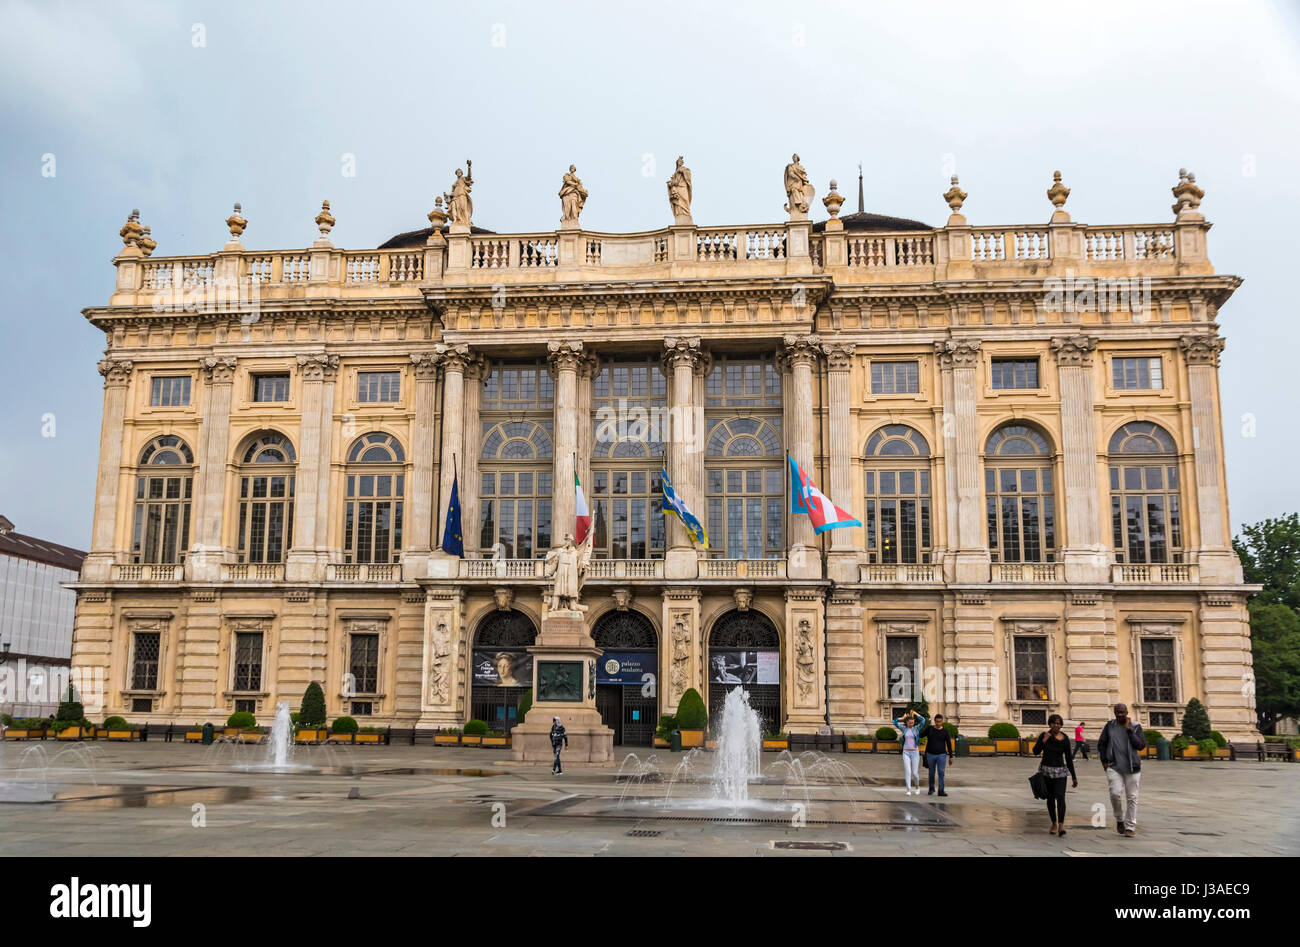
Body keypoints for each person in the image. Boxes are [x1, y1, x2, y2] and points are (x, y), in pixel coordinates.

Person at [1097, 702, 1146, 837]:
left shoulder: (1136, 727)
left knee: (1132, 797)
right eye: (1117, 712)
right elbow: (1101, 744)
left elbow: (1140, 745)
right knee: (1115, 793)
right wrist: (1104, 761)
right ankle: (1119, 819)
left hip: (1133, 768)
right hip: (1114, 766)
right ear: (1114, 713)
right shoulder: (1109, 726)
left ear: (1127, 713)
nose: (1120, 714)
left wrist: (1129, 730)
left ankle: (1130, 827)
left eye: (1122, 712)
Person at [1032, 713, 1078, 836]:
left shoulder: (1065, 738)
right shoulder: (1044, 735)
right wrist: (1044, 740)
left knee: (1061, 797)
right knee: (1051, 798)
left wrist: (1074, 777)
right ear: (1050, 724)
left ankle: (1061, 826)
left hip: (1060, 772)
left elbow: (1068, 758)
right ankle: (1054, 823)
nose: (1057, 725)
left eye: (1059, 723)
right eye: (1054, 723)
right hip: (1047, 771)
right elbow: (1035, 752)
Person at [893, 710, 927, 795]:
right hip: (906, 752)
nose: (911, 724)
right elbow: (894, 722)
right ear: (907, 723)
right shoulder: (903, 729)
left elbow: (923, 721)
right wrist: (902, 718)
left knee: (915, 773)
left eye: (912, 723)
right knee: (908, 771)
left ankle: (917, 787)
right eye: (910, 723)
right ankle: (908, 789)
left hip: (915, 753)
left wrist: (915, 713)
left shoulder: (916, 728)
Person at [920, 713, 955, 796]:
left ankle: (941, 790)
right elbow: (921, 735)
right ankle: (931, 788)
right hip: (930, 754)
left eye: (940, 722)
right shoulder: (930, 729)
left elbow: (949, 744)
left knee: (941, 772)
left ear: (942, 721)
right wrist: (917, 727)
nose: (938, 723)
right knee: (931, 772)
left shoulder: (945, 731)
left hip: (941, 755)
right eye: (937, 722)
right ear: (934, 721)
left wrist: (951, 756)